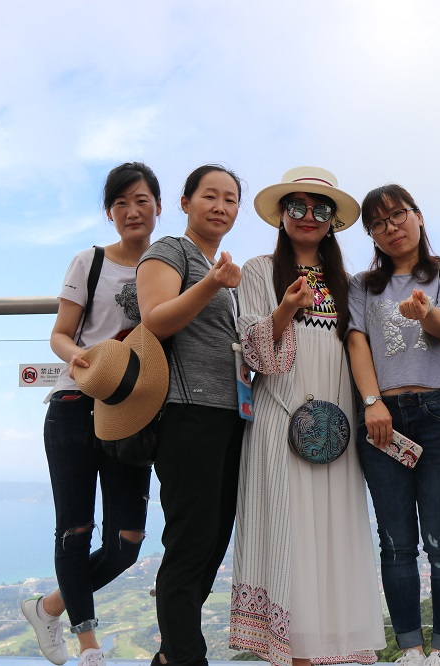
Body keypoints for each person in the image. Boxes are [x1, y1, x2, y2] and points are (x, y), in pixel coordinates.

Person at [230, 167, 385, 666]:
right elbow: (255, 355)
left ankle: (332, 651)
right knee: (289, 534)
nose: (308, 216)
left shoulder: (349, 284)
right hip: (280, 422)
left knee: (335, 533)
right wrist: (284, 310)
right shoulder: (259, 271)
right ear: (281, 214)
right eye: (296, 206)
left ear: (334, 220)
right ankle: (292, 654)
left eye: (321, 209)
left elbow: (361, 351)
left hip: (336, 430)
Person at [22, 162, 162, 666]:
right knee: (75, 529)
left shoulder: (166, 267)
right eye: (121, 203)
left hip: (132, 409)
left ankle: (49, 607)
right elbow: (60, 333)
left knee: (128, 541)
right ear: (109, 213)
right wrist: (78, 357)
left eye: (141, 201)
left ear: (158, 207)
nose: (132, 211)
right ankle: (88, 646)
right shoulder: (90, 261)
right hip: (77, 403)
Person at [346, 184, 440, 666]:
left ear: (418, 215)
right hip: (382, 416)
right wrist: (371, 402)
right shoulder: (362, 284)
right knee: (396, 541)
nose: (391, 228)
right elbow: (356, 342)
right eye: (377, 224)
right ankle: (410, 650)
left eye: (397, 215)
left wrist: (425, 313)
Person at [136, 164, 246, 666]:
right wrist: (212, 285)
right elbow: (156, 320)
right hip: (187, 412)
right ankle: (184, 658)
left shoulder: (218, 264)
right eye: (210, 196)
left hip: (228, 414)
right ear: (184, 203)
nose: (220, 207)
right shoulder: (171, 252)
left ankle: (170, 655)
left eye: (230, 199)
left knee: (213, 541)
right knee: (189, 542)